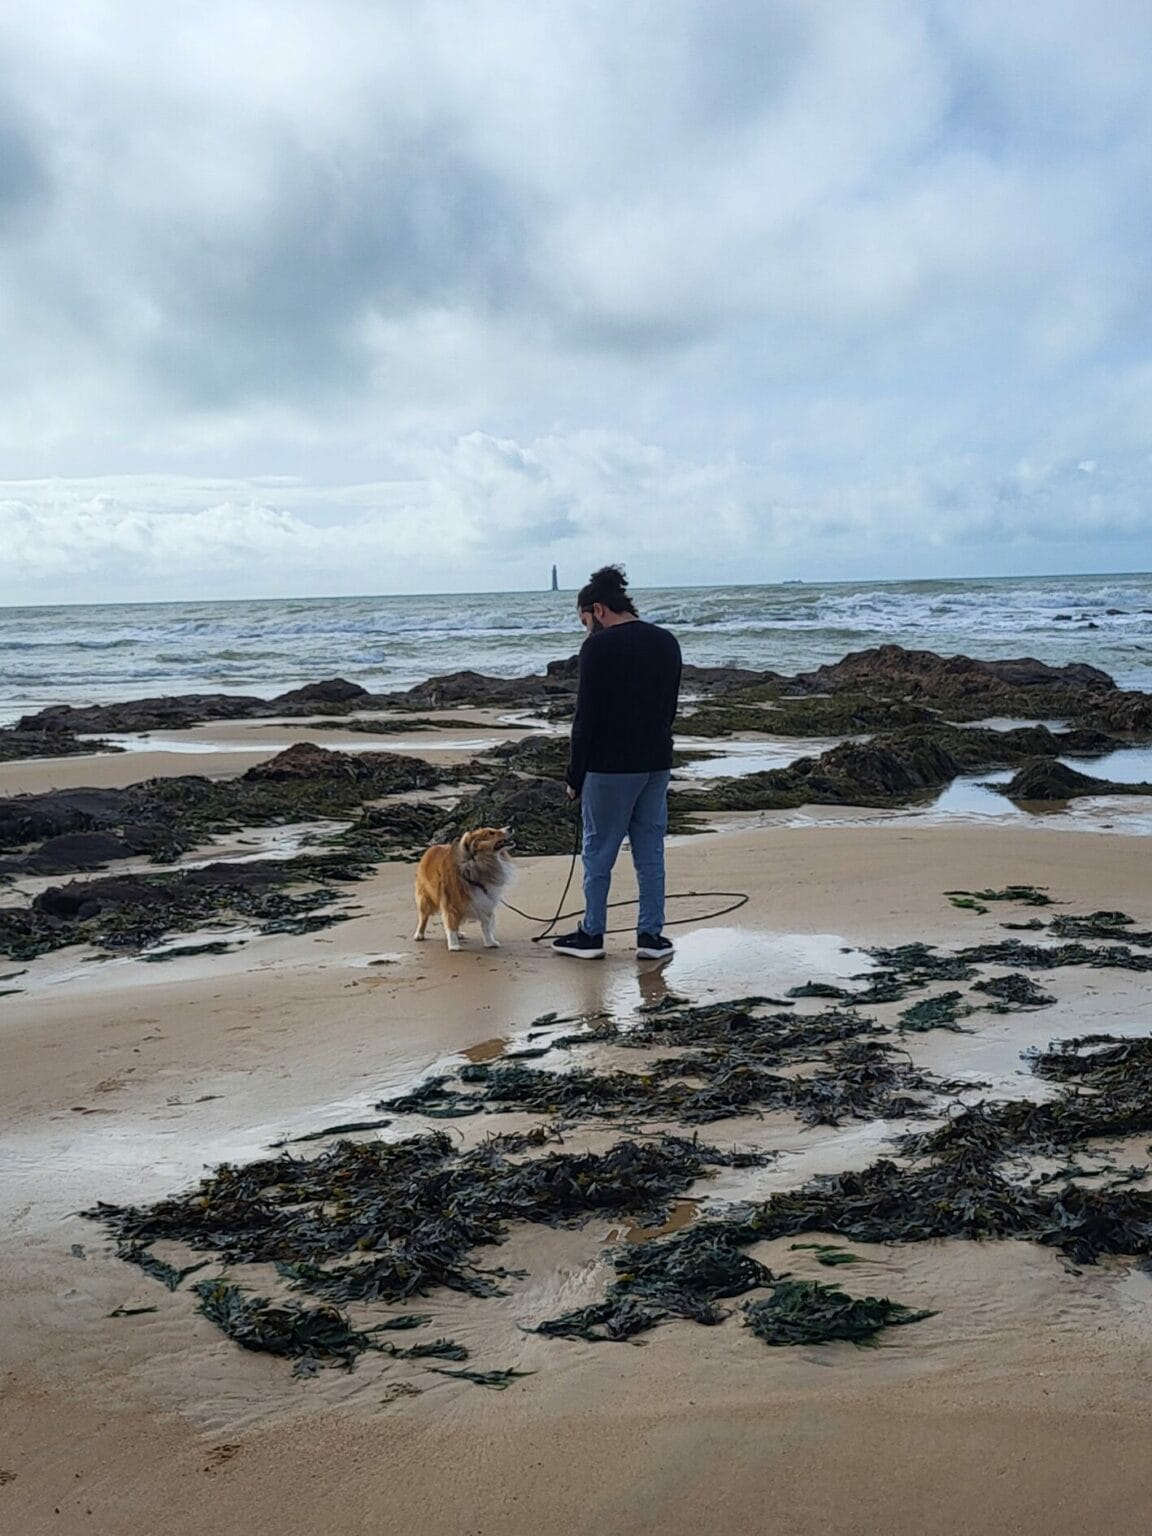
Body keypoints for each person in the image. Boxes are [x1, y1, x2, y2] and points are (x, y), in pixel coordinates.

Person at [551, 565, 682, 960]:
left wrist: (575, 775)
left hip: (608, 767)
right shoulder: (666, 641)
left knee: (598, 852)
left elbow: (585, 717)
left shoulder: (597, 647)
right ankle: (651, 937)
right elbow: (669, 707)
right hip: (656, 761)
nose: (586, 630)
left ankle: (592, 934)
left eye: (585, 622)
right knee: (650, 851)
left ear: (598, 610)